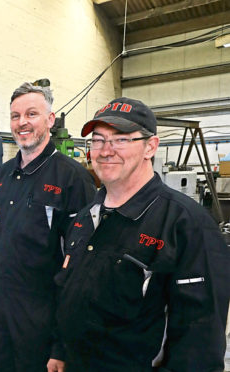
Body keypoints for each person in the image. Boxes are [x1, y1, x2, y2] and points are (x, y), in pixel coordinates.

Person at [55, 97, 230, 371]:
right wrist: (61, 350)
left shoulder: (187, 225)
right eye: (98, 140)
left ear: (151, 146)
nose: (105, 150)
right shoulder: (86, 216)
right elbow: (73, 294)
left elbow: (200, 342)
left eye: (121, 139)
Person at [0, 82, 96, 372]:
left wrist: (63, 345)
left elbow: (82, 270)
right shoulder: (1, 177)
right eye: (16, 116)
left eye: (31, 114)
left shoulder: (73, 178)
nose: (22, 123)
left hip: (42, 327)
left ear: (50, 119)